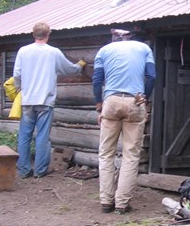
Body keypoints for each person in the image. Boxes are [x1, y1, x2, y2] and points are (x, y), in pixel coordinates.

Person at [93, 28, 156, 214]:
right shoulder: (144, 48)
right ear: (131, 37)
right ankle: (122, 203)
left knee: (106, 153)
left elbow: (97, 80)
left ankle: (106, 201)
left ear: (114, 38)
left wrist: (99, 103)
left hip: (110, 101)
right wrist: (144, 96)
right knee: (130, 154)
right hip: (134, 100)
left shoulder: (104, 50)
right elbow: (151, 76)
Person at [13, 22, 86, 179]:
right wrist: (79, 66)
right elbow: (69, 69)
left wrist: (20, 89)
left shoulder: (23, 51)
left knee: (24, 136)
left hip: (27, 100)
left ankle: (23, 170)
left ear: (33, 34)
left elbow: (17, 75)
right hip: (45, 101)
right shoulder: (53, 52)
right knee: (42, 136)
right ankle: (40, 170)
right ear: (48, 34)